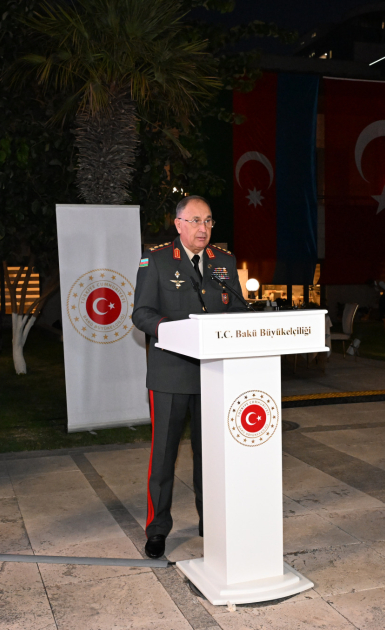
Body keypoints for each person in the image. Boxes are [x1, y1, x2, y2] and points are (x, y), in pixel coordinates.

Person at [132, 195, 247, 559]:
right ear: (179, 224)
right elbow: (141, 313)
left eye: (209, 221)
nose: (204, 228)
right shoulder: (158, 259)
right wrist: (170, 330)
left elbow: (238, 308)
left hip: (214, 375)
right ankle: (157, 528)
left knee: (209, 456)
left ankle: (209, 521)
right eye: (196, 221)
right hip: (170, 374)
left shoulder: (223, 262)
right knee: (164, 457)